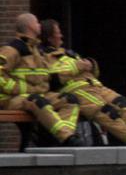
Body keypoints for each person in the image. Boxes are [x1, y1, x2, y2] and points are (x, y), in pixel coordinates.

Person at [40, 19, 126, 145]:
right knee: (107, 112)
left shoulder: (69, 53)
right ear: (49, 38)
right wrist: (78, 66)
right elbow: (53, 77)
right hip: (79, 92)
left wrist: (91, 64)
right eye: (58, 32)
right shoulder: (44, 56)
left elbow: (92, 72)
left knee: (122, 102)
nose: (61, 35)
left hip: (96, 87)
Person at [0, 14, 82, 146]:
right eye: (37, 23)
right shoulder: (12, 50)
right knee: (37, 101)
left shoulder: (36, 51)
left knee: (70, 100)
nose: (40, 26)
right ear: (30, 26)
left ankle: (65, 137)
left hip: (38, 96)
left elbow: (47, 75)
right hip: (12, 99)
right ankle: (67, 138)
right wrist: (24, 89)